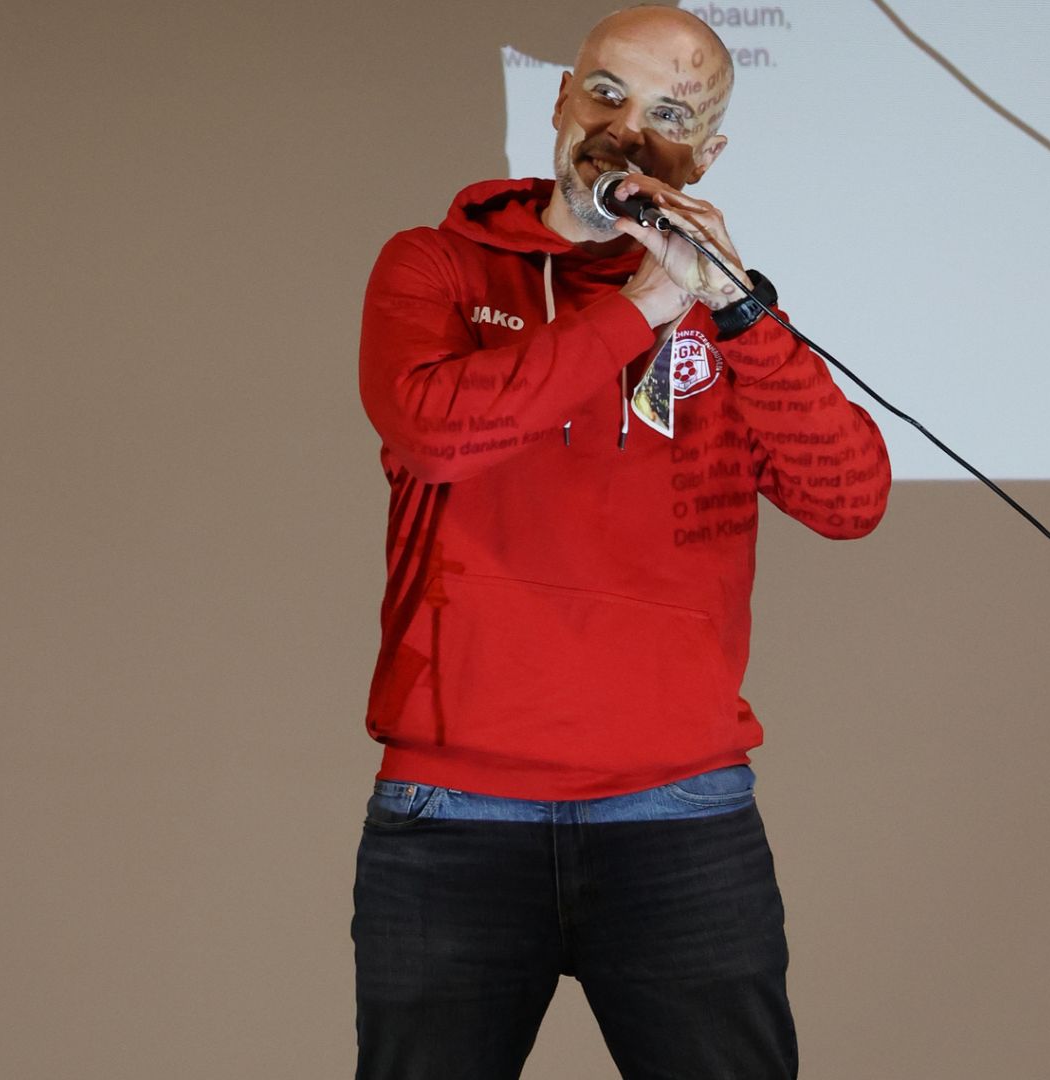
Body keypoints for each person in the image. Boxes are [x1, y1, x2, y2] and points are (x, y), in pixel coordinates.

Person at [351, 6, 891, 1077]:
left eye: (669, 114)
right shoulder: (436, 265)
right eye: (606, 93)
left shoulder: (724, 319)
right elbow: (435, 434)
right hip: (455, 814)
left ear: (707, 154)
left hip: (680, 809)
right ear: (561, 100)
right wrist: (640, 309)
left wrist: (737, 314)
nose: (627, 130)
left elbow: (850, 499)